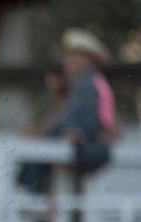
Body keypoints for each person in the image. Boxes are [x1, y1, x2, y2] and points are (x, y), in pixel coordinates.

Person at [17, 30, 117, 195]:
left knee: (37, 158)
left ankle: (32, 189)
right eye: (69, 56)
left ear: (89, 59)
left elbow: (80, 119)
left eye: (77, 56)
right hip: (86, 140)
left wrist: (53, 130)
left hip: (87, 140)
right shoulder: (92, 81)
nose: (70, 61)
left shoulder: (85, 82)